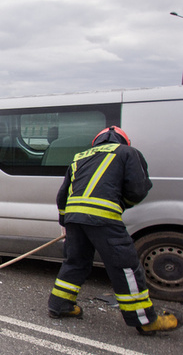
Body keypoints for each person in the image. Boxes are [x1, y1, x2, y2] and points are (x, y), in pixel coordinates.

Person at [47, 126, 177, 335]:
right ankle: (145, 319)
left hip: (73, 216)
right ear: (123, 141)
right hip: (103, 217)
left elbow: (63, 195)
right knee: (125, 266)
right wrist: (120, 203)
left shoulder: (79, 157)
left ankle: (60, 305)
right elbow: (137, 189)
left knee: (75, 261)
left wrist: (66, 222)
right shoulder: (128, 153)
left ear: (96, 143)